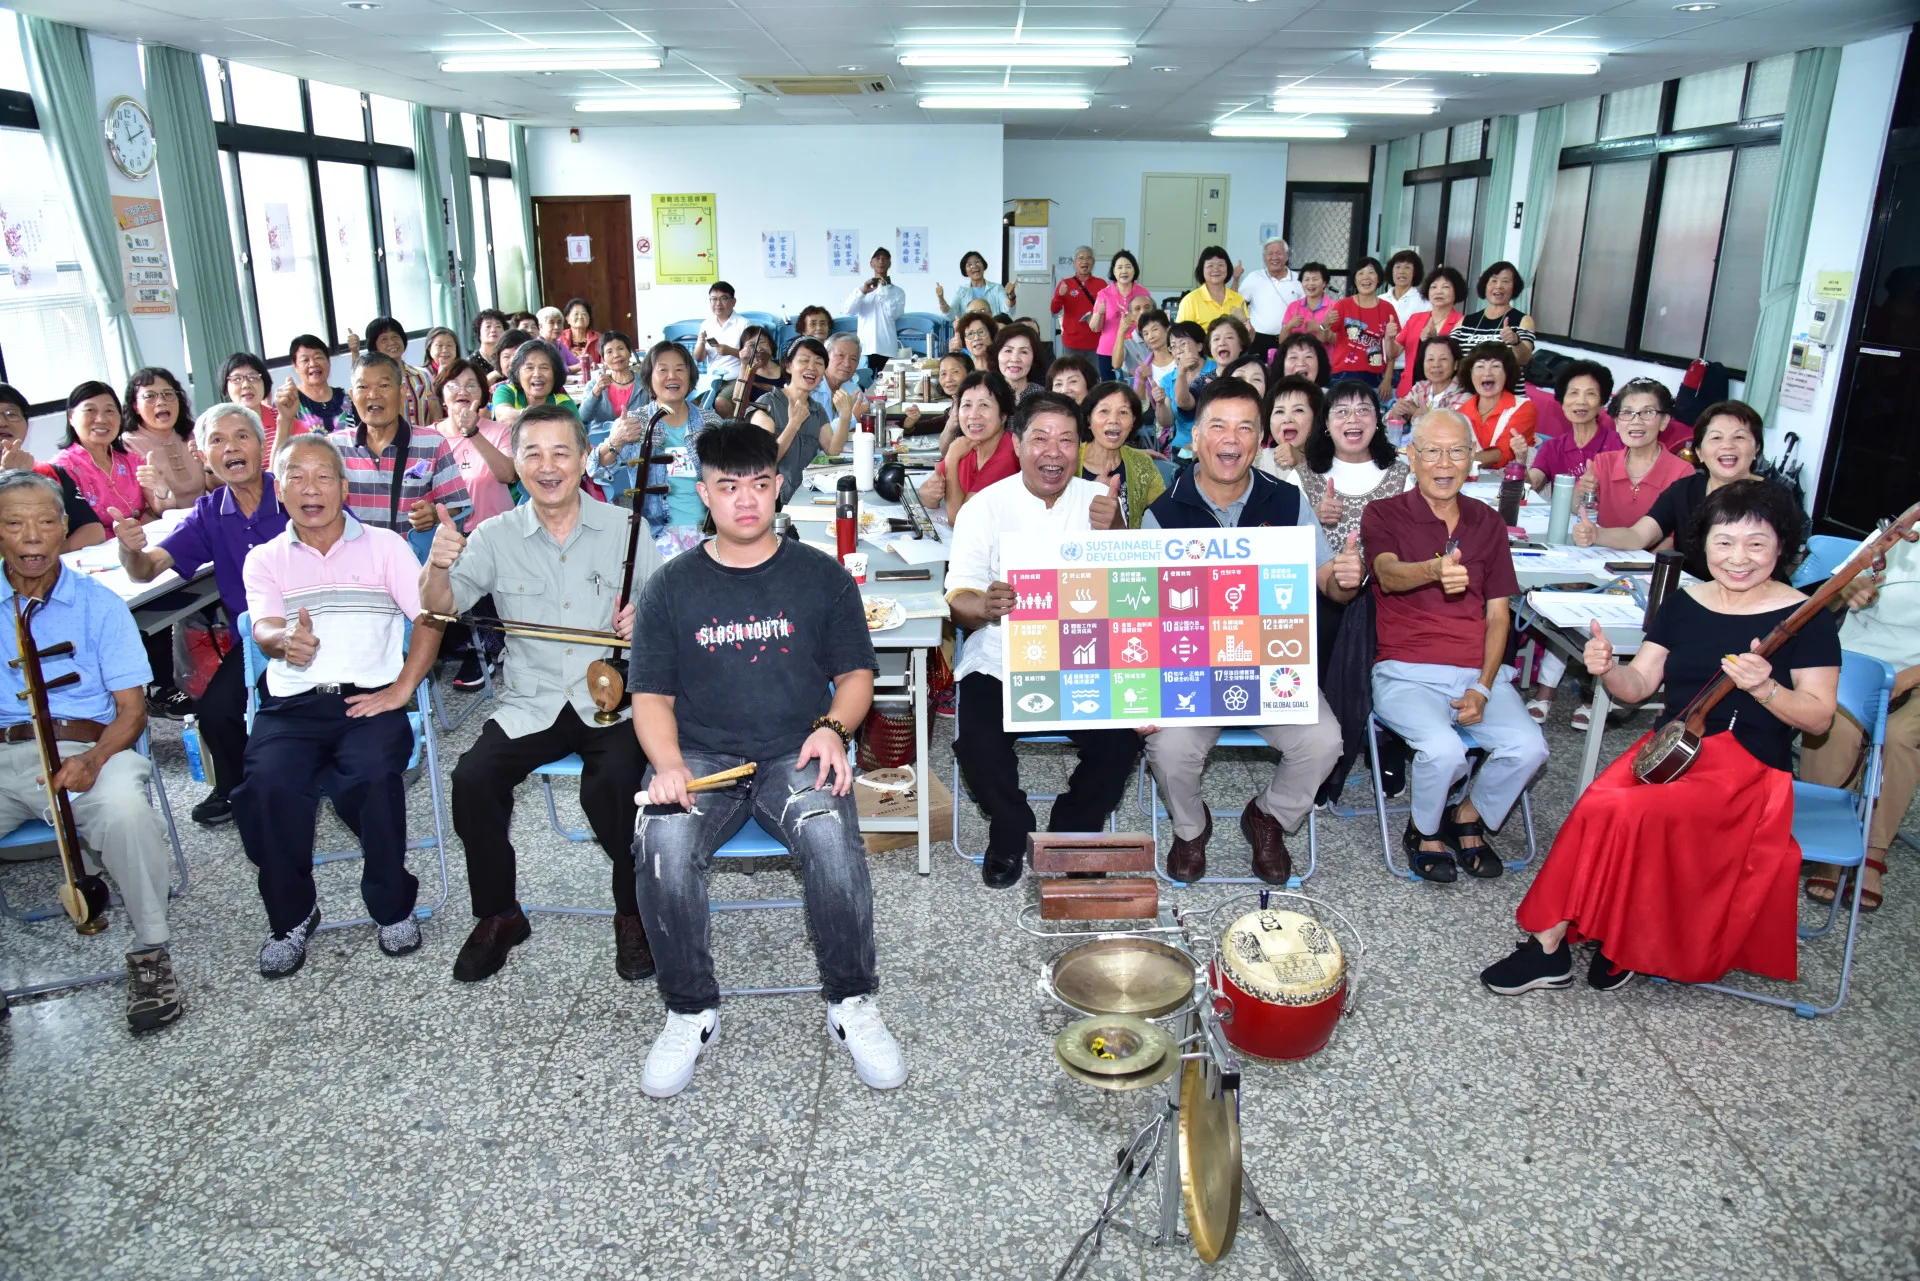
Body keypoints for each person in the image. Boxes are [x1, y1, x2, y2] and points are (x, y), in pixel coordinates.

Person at [628, 420, 905, 1098]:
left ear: (778, 487)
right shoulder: (670, 587)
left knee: (833, 841)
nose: (746, 501)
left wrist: (834, 728)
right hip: (699, 752)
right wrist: (667, 765)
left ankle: (852, 1000)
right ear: (705, 495)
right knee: (661, 840)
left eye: (758, 484)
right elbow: (651, 698)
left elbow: (856, 678)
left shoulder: (822, 576)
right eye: (729, 487)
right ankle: (689, 1007)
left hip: (794, 745)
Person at [1481, 481, 1839, 994]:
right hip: (1672, 751)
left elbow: (1819, 718)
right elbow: (1641, 685)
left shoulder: (1807, 617)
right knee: (1597, 803)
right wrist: (1607, 669)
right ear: (1705, 543)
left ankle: (1584, 943)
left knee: (1629, 813)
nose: (1739, 558)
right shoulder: (1684, 603)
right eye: (1724, 542)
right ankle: (1563, 944)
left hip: (1748, 772)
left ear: (1781, 546)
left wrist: (1765, 689)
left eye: (1756, 544)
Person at [421, 404, 660, 982]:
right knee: (472, 781)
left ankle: (633, 912)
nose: (547, 466)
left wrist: (642, 621)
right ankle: (501, 914)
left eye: (561, 453)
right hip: (532, 701)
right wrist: (436, 563)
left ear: (584, 459)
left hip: (610, 701)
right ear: (516, 464)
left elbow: (663, 616)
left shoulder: (629, 531)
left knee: (612, 792)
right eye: (532, 453)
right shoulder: (495, 536)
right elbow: (440, 606)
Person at [233, 432, 443, 977]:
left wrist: (400, 690)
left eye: (324, 476)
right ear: (279, 490)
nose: (311, 489)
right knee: (266, 787)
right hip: (292, 707)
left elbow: (429, 617)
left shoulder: (386, 546)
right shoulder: (265, 559)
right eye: (296, 477)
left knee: (371, 775)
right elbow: (263, 627)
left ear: (344, 486)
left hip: (368, 699)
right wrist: (283, 643)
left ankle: (392, 904)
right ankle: (292, 914)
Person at [1138, 378, 1361, 882]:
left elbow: (1327, 580)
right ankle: (1191, 830)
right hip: (1190, 673)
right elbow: (1144, 616)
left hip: (1270, 667)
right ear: (1196, 438)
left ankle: (1268, 817)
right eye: (1218, 426)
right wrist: (1143, 693)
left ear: (1261, 439)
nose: (1231, 439)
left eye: (1245, 427)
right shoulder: (1164, 513)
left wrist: (1346, 577)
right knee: (1169, 749)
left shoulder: (1286, 501)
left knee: (1326, 741)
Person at [0, 470, 183, 1032]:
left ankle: (152, 951)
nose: (31, 536)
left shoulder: (98, 605)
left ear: (65, 529)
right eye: (13, 523)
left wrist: (94, 760)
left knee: (127, 811)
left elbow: (132, 712)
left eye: (45, 521)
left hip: (88, 745)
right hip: (6, 753)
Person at [947, 391, 1132, 888]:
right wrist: (983, 605)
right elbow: (958, 595)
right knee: (976, 744)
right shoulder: (984, 508)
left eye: (1067, 440)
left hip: (1085, 658)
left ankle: (1072, 832)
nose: (1054, 452)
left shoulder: (1099, 505)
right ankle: (1011, 828)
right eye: (1041, 439)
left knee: (1118, 745)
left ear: (1080, 446)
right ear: (1017, 442)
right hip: (1003, 655)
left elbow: (1131, 597)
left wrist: (1115, 532)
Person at [1362, 409, 1548, 882]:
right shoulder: (1384, 513)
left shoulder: (1487, 522)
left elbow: (1498, 614)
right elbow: (1385, 572)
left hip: (1475, 674)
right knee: (1443, 750)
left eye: (1457, 451)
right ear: (1412, 456)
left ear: (1472, 461)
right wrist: (1433, 568)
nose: (1444, 463)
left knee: (1530, 748)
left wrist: (1484, 688)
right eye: (1432, 451)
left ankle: (1467, 815)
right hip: (1405, 671)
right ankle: (1423, 831)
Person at [112, 403, 287, 827]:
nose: (231, 447)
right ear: (202, 455)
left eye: (242, 436)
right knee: (215, 710)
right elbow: (145, 570)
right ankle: (233, 786)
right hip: (255, 641)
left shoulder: (291, 490)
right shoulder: (210, 512)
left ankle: (301, 775)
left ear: (262, 446)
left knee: (293, 706)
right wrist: (129, 548)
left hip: (314, 626)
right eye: (218, 440)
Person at [1802, 528, 1920, 913]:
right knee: (1832, 723)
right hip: (1857, 659)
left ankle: (1873, 849)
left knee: (1902, 737)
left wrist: (1905, 680)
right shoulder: (1901, 529)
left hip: (1915, 674)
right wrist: (1849, 589)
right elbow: (1828, 598)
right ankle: (1826, 834)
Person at [1574, 400, 1765, 581]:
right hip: (1690, 591)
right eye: (1716, 437)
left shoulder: (1772, 497)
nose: (1727, 445)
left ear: (1756, 448)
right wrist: (1596, 534)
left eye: (1739, 437)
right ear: (1699, 451)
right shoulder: (1684, 489)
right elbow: (1639, 536)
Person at [328, 353, 471, 549]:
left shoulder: (432, 443)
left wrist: (434, 513)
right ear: (352, 396)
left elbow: (457, 504)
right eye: (363, 387)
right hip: (354, 566)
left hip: (412, 566)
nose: (373, 394)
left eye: (384, 385)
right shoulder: (335, 447)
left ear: (402, 392)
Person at [595, 340, 709, 537]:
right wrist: (615, 441)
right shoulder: (635, 422)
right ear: (648, 378)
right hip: (658, 534)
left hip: (708, 530)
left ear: (691, 378)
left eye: (680, 370)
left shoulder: (709, 422)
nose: (672, 376)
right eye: (663, 370)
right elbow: (596, 469)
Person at [1294, 379, 1412, 556]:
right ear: (1326, 422)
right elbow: (1285, 545)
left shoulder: (1403, 475)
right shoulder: (1302, 477)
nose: (1353, 419)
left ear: (1377, 420)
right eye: (1342, 411)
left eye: (1363, 410)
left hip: (1389, 581)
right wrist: (1313, 517)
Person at [1578, 378, 1696, 529]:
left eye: (1647, 412)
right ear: (1616, 423)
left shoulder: (1682, 472)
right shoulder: (1603, 462)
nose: (1636, 421)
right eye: (1627, 412)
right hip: (1599, 550)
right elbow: (1578, 513)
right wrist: (1582, 491)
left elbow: (1677, 536)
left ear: (1664, 421)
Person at [0, 385, 102, 552]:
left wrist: (45, 558)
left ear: (27, 425)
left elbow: (93, 531)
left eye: (11, 414)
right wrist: (8, 480)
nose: (2, 422)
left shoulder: (51, 473)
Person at [751, 336, 850, 505]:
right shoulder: (767, 404)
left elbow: (832, 449)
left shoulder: (816, 409)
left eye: (819, 363)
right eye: (804, 360)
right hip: (772, 503)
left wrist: (845, 417)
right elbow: (763, 461)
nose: (812, 367)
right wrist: (793, 424)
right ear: (788, 366)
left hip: (804, 497)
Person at [917, 371, 1019, 523]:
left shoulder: (1009, 454)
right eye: (966, 405)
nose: (973, 415)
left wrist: (951, 458)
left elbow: (959, 520)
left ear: (1003, 415)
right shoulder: (968, 445)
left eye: (984, 405)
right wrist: (929, 494)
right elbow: (927, 491)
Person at [433, 359, 516, 529]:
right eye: (454, 385)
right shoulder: (427, 438)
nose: (462, 391)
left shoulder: (499, 432)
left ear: (483, 395)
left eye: (471, 386)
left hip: (496, 533)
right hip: (446, 538)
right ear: (442, 395)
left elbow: (509, 475)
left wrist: (473, 433)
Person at [1076, 381, 1164, 529]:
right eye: (1104, 411)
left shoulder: (1142, 464)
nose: (1114, 420)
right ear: (1089, 419)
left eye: (1123, 412)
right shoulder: (1068, 461)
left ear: (1133, 422)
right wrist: (1090, 492)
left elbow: (1163, 515)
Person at [1528, 360, 1619, 493]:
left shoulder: (1619, 446)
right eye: (1573, 393)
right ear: (1562, 401)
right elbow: (1531, 486)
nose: (1581, 401)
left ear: (1602, 402)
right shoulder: (1552, 448)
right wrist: (1520, 460)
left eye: (1590, 394)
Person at [122, 367, 204, 513]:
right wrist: (160, 488)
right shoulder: (128, 446)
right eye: (150, 396)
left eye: (168, 394)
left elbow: (218, 488)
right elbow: (159, 511)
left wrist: (210, 466)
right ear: (135, 406)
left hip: (206, 515)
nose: (161, 402)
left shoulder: (195, 433)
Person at [1450, 261, 1537, 390]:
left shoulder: (1522, 320)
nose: (1499, 286)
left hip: (1507, 398)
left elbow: (1524, 359)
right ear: (1485, 286)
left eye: (1506, 281)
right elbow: (1451, 356)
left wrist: (1516, 342)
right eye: (1494, 281)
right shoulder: (1465, 322)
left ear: (1514, 288)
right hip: (1467, 397)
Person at [349, 318, 440, 427]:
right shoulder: (372, 381)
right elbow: (358, 378)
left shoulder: (422, 375)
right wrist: (355, 352)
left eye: (395, 337)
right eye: (384, 339)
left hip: (423, 441)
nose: (391, 342)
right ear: (374, 346)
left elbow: (435, 413)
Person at [1393, 266, 1465, 401]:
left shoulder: (1462, 322)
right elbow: (1394, 352)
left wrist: (1435, 338)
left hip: (1443, 395)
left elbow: (1461, 362)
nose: (1439, 291)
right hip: (1409, 392)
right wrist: (1389, 337)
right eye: (1434, 287)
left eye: (1445, 287)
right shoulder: (1415, 318)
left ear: (1457, 291)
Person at [1460, 341, 1537, 468]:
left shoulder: (1523, 408)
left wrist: (1456, 463)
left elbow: (1502, 453)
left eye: (1495, 366)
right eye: (1480, 366)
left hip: (1509, 482)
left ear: (1507, 373)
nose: (1487, 373)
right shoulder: (1460, 412)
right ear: (1470, 373)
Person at [1327, 258, 1397, 394]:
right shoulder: (1342, 305)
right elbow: (1327, 336)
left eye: (1371, 273)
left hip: (1374, 375)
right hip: (1343, 374)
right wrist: (1325, 324)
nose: (1366, 277)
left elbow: (1392, 350)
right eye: (1361, 273)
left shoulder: (1387, 308)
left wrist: (1387, 378)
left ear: (1378, 279)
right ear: (1354, 279)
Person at [1150, 320, 1210, 460]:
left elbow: (1184, 402)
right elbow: (1167, 422)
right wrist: (1159, 403)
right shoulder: (1168, 379)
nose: (1178, 351)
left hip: (1211, 445)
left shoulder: (1216, 371)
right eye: (1173, 347)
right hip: (1182, 449)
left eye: (1183, 344)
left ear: (1199, 346)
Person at [1237, 237, 1305, 360]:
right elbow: (1238, 304)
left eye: (1279, 253)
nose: (1274, 257)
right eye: (1270, 254)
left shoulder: (1298, 279)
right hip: (1258, 339)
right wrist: (1246, 326)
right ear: (1264, 258)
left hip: (1290, 338)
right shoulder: (1254, 277)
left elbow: (1307, 308)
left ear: (1286, 256)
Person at [490, 338, 577, 430]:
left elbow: (579, 438)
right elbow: (504, 416)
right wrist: (529, 414)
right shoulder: (506, 391)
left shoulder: (563, 401)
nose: (537, 374)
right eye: (529, 368)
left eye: (544, 368)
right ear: (517, 373)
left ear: (555, 374)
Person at [1089, 249, 1151, 379]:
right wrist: (1099, 314)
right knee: (1109, 391)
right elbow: (1094, 328)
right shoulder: (1104, 294)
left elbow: (1150, 322)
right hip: (1108, 351)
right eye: (1120, 267)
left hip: (1137, 351)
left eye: (1128, 267)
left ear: (1134, 270)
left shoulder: (1143, 293)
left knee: (1136, 391)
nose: (1124, 271)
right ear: (1113, 271)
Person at [1386, 335, 1468, 432]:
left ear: (1455, 364)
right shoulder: (1420, 388)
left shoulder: (1463, 396)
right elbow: (1389, 425)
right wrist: (1397, 413)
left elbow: (1450, 430)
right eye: (1430, 359)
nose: (1436, 364)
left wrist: (1417, 412)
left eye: (1443, 359)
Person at [273, 334, 350, 434]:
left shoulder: (346, 399)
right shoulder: (289, 401)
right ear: (296, 366)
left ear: (328, 360)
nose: (313, 364)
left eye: (318, 357)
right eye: (305, 360)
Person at [1255, 374, 1322, 485]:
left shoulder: (1334, 460)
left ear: (1316, 417)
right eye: (1279, 411)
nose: (1287, 419)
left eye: (1298, 410)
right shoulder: (1258, 460)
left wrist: (1300, 462)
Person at [846, 247, 906, 367]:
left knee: (888, 383)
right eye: (877, 258)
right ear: (871, 263)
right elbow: (849, 310)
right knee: (864, 383)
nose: (881, 261)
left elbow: (895, 314)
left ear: (889, 264)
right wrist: (863, 292)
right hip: (865, 347)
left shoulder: (897, 291)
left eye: (885, 258)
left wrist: (884, 292)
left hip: (887, 347)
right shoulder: (861, 289)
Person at [711, 325, 785, 419]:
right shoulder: (748, 372)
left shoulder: (785, 366)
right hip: (758, 420)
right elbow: (738, 401)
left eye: (761, 342)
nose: (758, 348)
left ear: (770, 344)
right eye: (751, 345)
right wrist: (743, 364)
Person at [578, 330, 646, 428]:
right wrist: (596, 392)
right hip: (600, 440)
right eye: (609, 351)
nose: (616, 355)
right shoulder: (594, 385)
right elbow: (583, 417)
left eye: (621, 348)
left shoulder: (645, 384)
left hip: (636, 439)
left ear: (630, 352)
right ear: (603, 358)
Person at [220, 353, 281, 458]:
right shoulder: (218, 426)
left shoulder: (282, 418)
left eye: (253, 377)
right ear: (226, 387)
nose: (246, 385)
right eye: (237, 379)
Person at [1050, 245, 1104, 361]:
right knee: (1072, 376)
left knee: (1093, 377)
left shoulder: (1102, 284)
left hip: (1095, 341)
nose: (1085, 261)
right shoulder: (1066, 284)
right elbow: (1054, 310)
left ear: (1093, 262)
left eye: (1088, 258)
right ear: (1074, 262)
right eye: (1081, 258)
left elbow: (1107, 311)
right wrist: (1059, 295)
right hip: (1072, 342)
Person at [1175, 246, 1247, 329]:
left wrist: (1244, 321)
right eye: (1210, 266)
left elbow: (1249, 338)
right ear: (1202, 270)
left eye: (1220, 265)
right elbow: (1181, 337)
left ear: (1228, 268)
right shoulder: (1190, 300)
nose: (1216, 269)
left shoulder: (1238, 299)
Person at [903, 350, 973, 436]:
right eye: (943, 374)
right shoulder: (957, 402)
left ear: (970, 374)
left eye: (955, 372)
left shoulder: (972, 406)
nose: (948, 379)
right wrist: (910, 425)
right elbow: (942, 423)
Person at [937, 249, 1013, 322]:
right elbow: (950, 315)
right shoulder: (961, 291)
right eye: (969, 265)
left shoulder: (997, 288)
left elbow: (1008, 309)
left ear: (983, 266)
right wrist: (941, 300)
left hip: (992, 331)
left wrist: (1011, 296)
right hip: (970, 332)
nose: (974, 266)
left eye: (977, 262)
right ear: (965, 271)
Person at [1276, 263, 1336, 352]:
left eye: (1315, 279)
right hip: (1298, 360)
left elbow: (1338, 340)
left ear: (1324, 283)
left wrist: (1320, 328)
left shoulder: (1334, 307)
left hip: (1324, 361)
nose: (1310, 283)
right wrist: (1290, 325)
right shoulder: (1293, 307)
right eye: (1306, 279)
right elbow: (1282, 341)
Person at [695, 281, 748, 380]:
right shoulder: (706, 324)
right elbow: (699, 358)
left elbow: (753, 357)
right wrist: (701, 344)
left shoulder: (744, 325)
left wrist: (730, 351)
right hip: (712, 379)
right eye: (714, 299)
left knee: (719, 397)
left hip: (736, 379)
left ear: (733, 301)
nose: (718, 303)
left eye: (723, 298)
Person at [1130, 308, 1175, 409]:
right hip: (1162, 421)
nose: (1150, 336)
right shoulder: (1143, 369)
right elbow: (1138, 405)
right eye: (1145, 333)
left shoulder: (1182, 360)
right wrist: (1142, 380)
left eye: (1154, 329)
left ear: (1167, 329)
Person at [815, 332, 865, 418]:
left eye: (853, 359)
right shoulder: (812, 389)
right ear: (825, 356)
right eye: (840, 355)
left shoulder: (853, 389)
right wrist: (852, 418)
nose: (847, 364)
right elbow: (818, 431)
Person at [989, 325, 1040, 404]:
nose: (1015, 359)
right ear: (997, 355)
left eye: (1024, 352)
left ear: (1034, 358)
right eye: (1008, 351)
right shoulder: (987, 394)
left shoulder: (1043, 396)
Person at [1115, 293, 1158, 382]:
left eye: (1147, 307)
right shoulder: (1127, 341)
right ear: (1130, 316)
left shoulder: (1165, 337)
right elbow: (1116, 365)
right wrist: (1121, 332)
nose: (1142, 312)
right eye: (1137, 309)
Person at [1381, 249, 1428, 332]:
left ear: (1415, 272)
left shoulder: (1424, 303)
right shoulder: (1380, 300)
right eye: (1398, 267)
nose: (1401, 271)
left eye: (1407, 267)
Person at [558, 297, 601, 367]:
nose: (580, 317)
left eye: (584, 314)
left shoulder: (598, 338)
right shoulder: (559, 338)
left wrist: (594, 364)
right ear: (567, 319)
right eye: (576, 314)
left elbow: (605, 364)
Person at [535, 307, 580, 373]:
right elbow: (550, 371)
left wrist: (586, 363)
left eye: (559, 322)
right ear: (541, 326)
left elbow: (575, 363)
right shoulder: (538, 347)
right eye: (551, 322)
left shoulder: (558, 344)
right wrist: (570, 369)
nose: (556, 327)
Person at [471, 308, 508, 377]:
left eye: (498, 326)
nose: (493, 330)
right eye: (488, 326)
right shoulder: (471, 363)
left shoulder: (508, 358)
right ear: (479, 333)